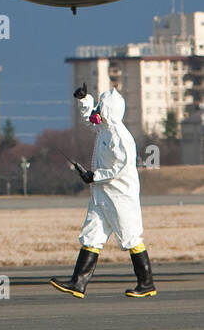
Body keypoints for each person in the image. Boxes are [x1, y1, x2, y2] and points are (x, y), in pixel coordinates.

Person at [51, 83, 156, 299]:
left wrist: (94, 176)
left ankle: (146, 283)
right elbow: (88, 117)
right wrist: (84, 100)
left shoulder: (121, 137)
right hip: (102, 195)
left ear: (108, 111)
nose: (96, 112)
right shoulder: (104, 128)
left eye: (100, 107)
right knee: (91, 235)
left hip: (120, 197)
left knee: (131, 237)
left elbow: (121, 168)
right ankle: (78, 282)